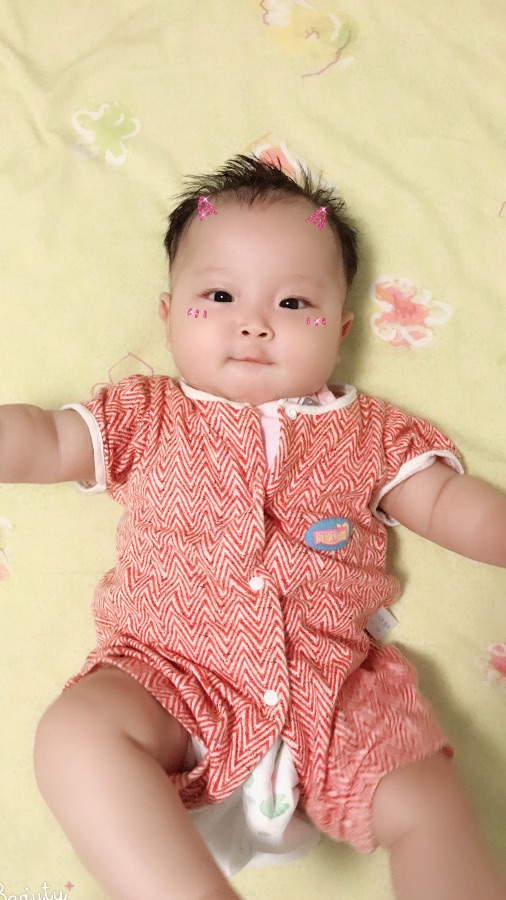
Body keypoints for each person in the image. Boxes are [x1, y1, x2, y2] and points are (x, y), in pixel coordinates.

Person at [1, 154, 504, 900]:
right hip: (170, 675)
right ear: (168, 314)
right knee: (75, 735)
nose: (254, 323)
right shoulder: (148, 414)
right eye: (220, 295)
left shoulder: (369, 432)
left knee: (426, 800)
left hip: (335, 689)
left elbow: (447, 503)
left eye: (295, 303)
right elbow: (46, 440)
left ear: (341, 329)